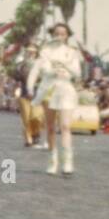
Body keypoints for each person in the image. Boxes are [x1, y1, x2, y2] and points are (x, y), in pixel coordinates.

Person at [27, 23, 83, 175]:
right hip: (49, 89)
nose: (59, 36)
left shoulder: (72, 52)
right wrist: (32, 87)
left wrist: (65, 65)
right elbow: (39, 70)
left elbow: (77, 73)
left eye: (63, 34)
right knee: (51, 127)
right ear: (52, 34)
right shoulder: (45, 51)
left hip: (65, 89)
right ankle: (53, 161)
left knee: (65, 126)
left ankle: (68, 162)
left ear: (67, 36)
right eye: (57, 33)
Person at [14, 44, 45, 148]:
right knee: (26, 118)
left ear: (36, 52)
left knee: (36, 117)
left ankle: (36, 132)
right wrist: (19, 65)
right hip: (24, 93)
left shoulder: (42, 63)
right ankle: (28, 139)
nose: (31, 53)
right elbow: (16, 76)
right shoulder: (21, 63)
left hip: (37, 93)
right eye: (29, 51)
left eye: (33, 51)